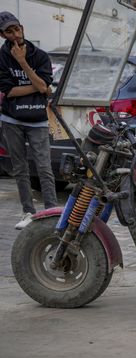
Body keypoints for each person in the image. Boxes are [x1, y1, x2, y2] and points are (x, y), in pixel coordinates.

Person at [0, 11, 57, 230]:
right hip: (11, 119)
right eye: (9, 31)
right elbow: (8, 90)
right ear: (2, 35)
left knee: (44, 167)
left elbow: (45, 87)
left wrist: (23, 62)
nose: (15, 34)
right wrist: (38, 86)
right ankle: (28, 212)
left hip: (37, 119)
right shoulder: (2, 57)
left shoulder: (39, 55)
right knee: (20, 167)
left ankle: (51, 211)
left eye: (17, 29)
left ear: (22, 28)